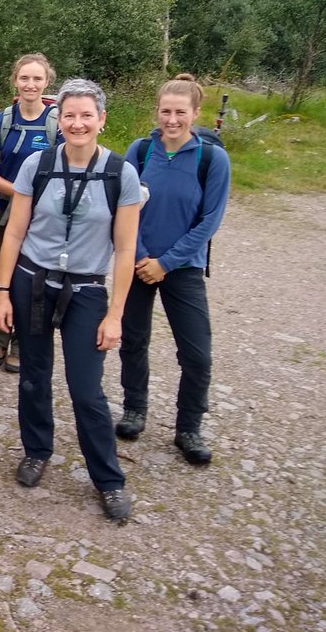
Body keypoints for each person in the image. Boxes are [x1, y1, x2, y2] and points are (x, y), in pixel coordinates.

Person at [0, 78, 141, 522]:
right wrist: (2, 291)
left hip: (88, 290)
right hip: (32, 281)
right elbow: (14, 232)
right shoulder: (37, 166)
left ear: (101, 120)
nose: (77, 124)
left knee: (86, 388)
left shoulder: (121, 173)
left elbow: (127, 249)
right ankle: (37, 450)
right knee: (33, 376)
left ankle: (109, 480)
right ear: (61, 120)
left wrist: (115, 314)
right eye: (70, 115)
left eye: (86, 115)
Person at [116, 74, 231, 465]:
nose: (172, 119)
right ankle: (134, 408)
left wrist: (165, 263)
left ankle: (189, 427)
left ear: (195, 114)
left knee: (197, 354)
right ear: (157, 111)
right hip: (136, 262)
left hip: (182, 268)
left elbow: (210, 220)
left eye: (180, 112)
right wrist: (143, 256)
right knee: (132, 340)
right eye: (166, 111)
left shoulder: (211, 158)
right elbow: (124, 206)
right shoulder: (141, 150)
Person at [0, 53, 61, 373]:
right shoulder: (1, 121)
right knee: (1, 275)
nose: (30, 84)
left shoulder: (57, 123)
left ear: (47, 82)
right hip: (4, 214)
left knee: (34, 280)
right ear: (15, 80)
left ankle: (22, 343)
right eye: (25, 78)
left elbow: (64, 170)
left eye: (37, 79)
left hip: (44, 219)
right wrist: (22, 193)